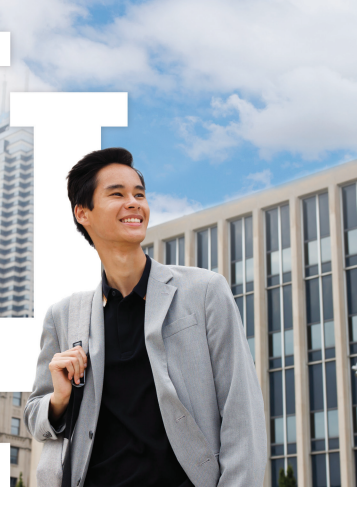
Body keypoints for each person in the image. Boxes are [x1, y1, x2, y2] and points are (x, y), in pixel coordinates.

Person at [24, 147, 265, 487]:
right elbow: (35, 417)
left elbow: (243, 416)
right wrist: (60, 398)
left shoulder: (205, 291)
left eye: (139, 194)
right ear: (83, 213)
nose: (134, 202)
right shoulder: (63, 316)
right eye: (117, 194)